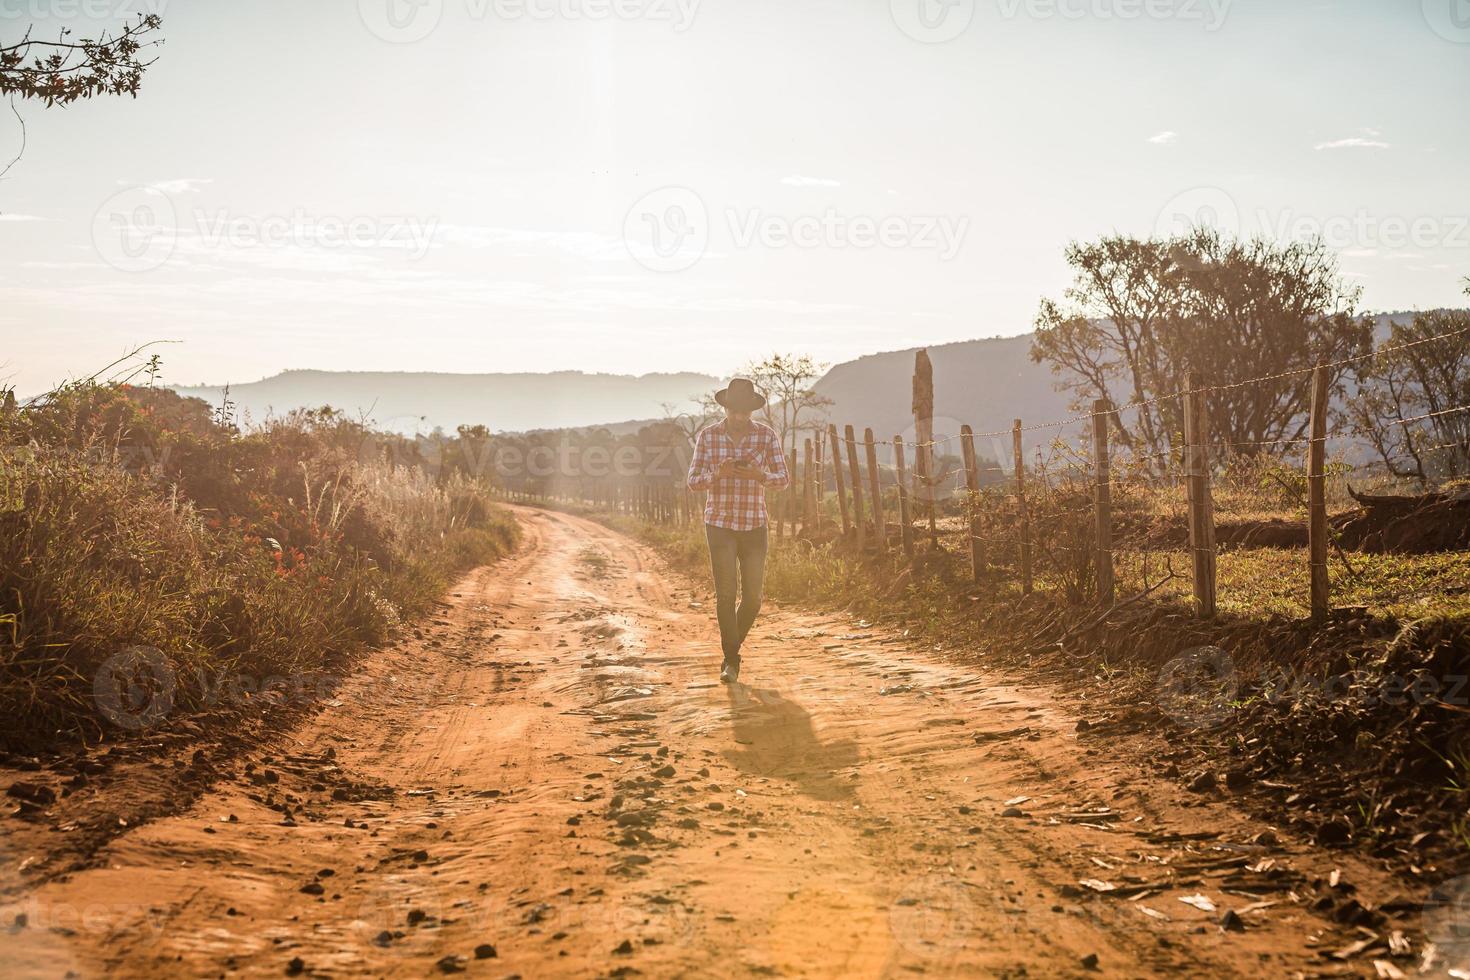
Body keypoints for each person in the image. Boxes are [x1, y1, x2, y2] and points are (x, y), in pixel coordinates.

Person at [686, 377, 790, 684]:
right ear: (726, 408)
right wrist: (718, 474)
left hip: (754, 523)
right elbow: (693, 481)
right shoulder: (708, 436)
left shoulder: (766, 437)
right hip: (719, 523)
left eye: (744, 412)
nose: (739, 417)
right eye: (734, 411)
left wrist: (760, 475)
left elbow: (783, 479)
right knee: (726, 594)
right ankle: (731, 661)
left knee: (754, 599)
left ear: (751, 412)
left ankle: (731, 652)